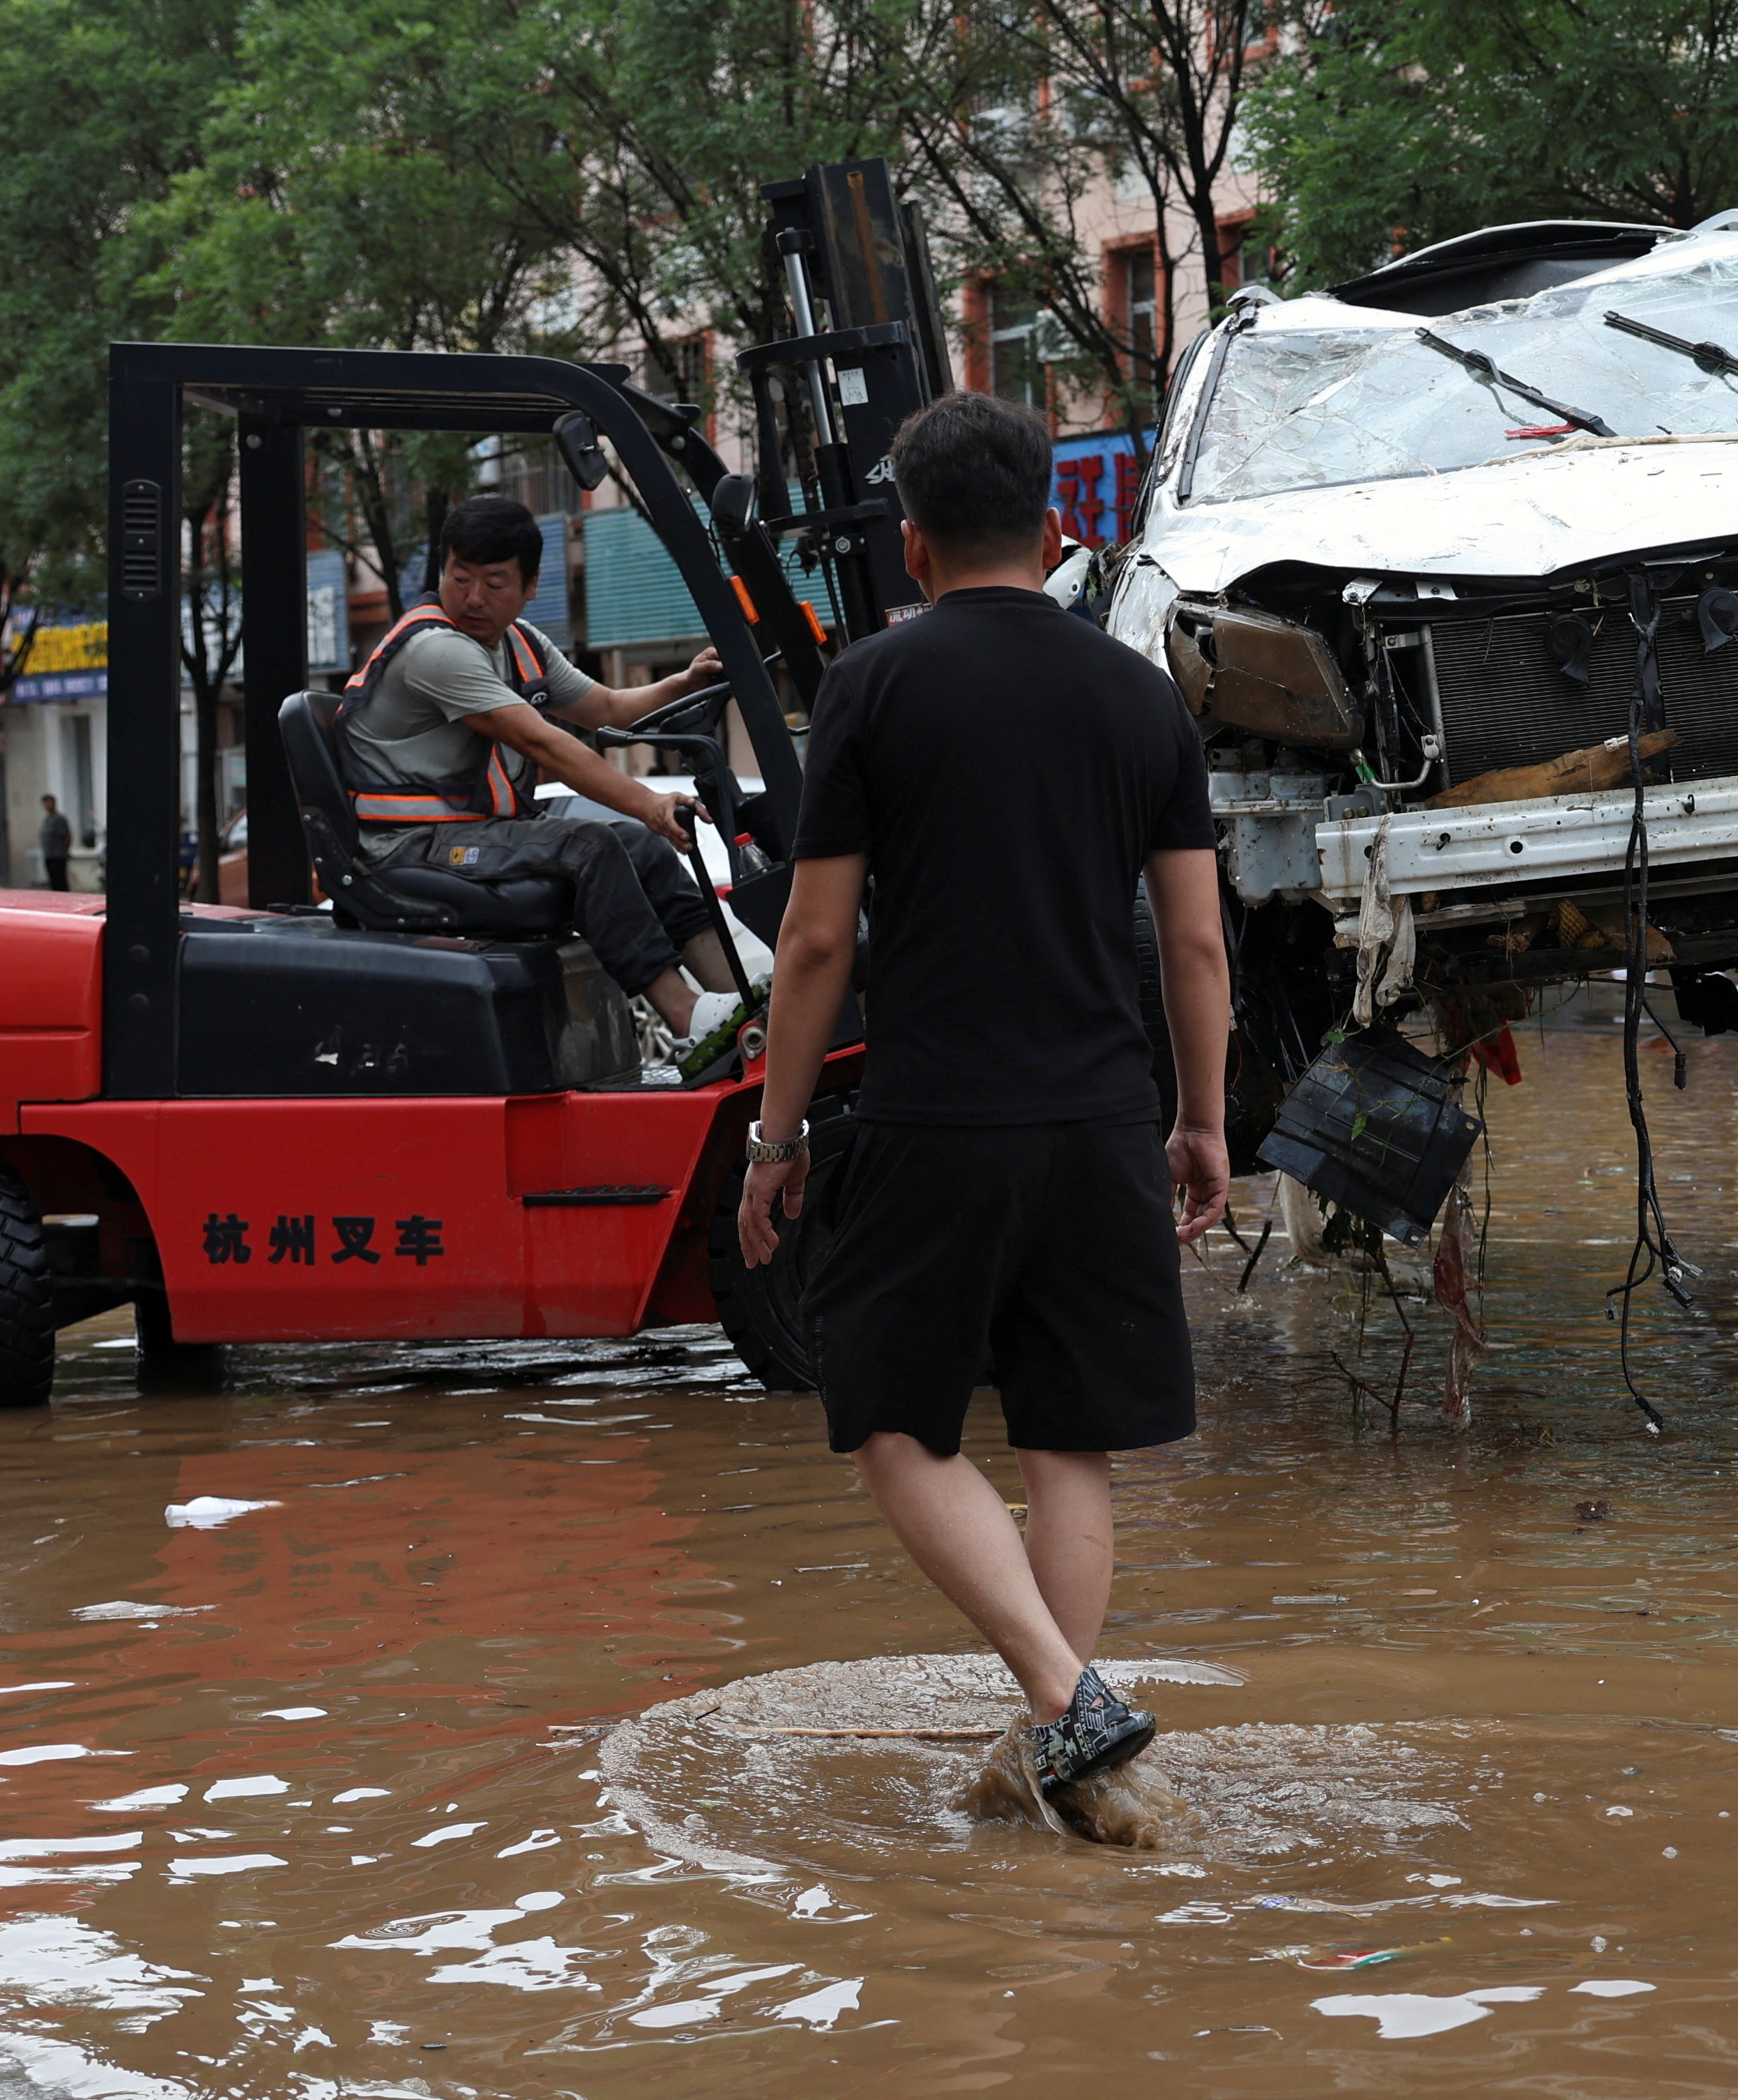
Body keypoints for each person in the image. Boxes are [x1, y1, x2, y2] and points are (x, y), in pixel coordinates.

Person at [735, 390, 1229, 1799]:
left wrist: (772, 1141)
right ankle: (1059, 1754)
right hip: (1098, 1120)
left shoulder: (873, 688)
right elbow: (1191, 943)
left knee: (892, 1419)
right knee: (1068, 1440)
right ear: (1056, 526)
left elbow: (818, 941)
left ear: (911, 547)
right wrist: (1197, 1122)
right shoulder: (1137, 693)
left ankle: (1064, 1699)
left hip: (936, 1117)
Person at [338, 494, 742, 1045]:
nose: (473, 597)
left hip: (472, 830)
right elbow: (545, 744)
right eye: (460, 577)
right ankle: (687, 1015)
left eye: (495, 583)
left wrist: (684, 682)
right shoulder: (436, 651)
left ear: (530, 588)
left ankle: (746, 1005)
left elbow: (604, 709)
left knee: (643, 848)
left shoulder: (520, 644)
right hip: (409, 845)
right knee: (591, 845)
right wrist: (646, 803)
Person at [37, 795, 72, 892]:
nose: (48, 806)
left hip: (58, 856)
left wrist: (65, 850)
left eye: (49, 803)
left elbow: (67, 836)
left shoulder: (59, 819)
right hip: (49, 855)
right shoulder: (47, 820)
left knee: (60, 881)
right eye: (45, 803)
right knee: (53, 882)